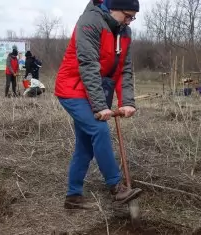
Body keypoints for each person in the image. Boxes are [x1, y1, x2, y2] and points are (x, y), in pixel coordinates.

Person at [54, 0, 142, 209]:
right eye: (127, 15)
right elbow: (89, 66)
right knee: (99, 130)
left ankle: (73, 196)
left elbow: (124, 70)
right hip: (72, 89)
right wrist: (100, 106)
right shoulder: (89, 22)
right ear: (113, 9)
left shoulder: (124, 32)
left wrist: (127, 102)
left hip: (95, 91)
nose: (129, 21)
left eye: (133, 17)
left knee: (85, 146)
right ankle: (116, 188)